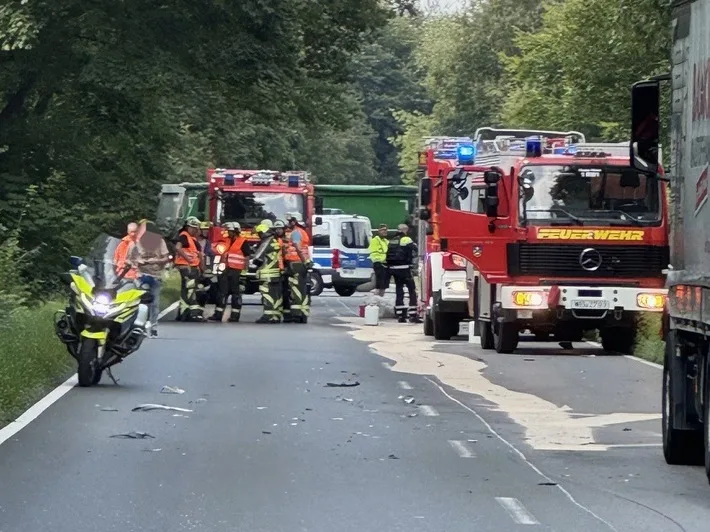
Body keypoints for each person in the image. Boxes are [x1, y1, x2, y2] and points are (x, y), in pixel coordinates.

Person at [127, 219, 171, 337]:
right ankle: (139, 325)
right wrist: (137, 262)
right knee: (141, 302)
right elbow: (130, 259)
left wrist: (154, 260)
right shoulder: (136, 242)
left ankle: (153, 327)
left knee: (155, 303)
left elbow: (166, 258)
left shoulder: (160, 242)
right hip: (141, 275)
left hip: (156, 275)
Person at [209, 222, 252, 323]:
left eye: (231, 231)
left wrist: (244, 272)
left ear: (236, 231)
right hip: (225, 269)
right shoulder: (227, 240)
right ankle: (218, 315)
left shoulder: (243, 241)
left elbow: (247, 257)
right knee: (222, 293)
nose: (229, 232)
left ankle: (235, 316)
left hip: (236, 271)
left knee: (236, 294)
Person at [386, 223, 421, 323]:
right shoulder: (406, 239)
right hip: (404, 268)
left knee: (399, 290)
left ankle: (400, 315)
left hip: (393, 269)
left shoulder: (392, 240)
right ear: (405, 230)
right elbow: (415, 249)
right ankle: (413, 314)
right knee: (412, 290)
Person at [174, 216, 204, 321]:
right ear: (190, 227)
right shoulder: (184, 236)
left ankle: (183, 313)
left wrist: (200, 268)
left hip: (191, 268)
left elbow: (200, 255)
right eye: (196, 229)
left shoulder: (192, 239)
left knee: (186, 291)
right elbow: (178, 247)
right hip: (187, 268)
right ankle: (193, 314)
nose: (197, 231)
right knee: (190, 291)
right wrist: (188, 259)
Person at [283, 212, 312, 323]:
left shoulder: (295, 233)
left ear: (295, 221)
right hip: (301, 263)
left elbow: (298, 248)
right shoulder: (303, 232)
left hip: (296, 263)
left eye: (290, 221)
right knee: (303, 288)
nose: (288, 223)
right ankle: (303, 313)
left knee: (295, 288)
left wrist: (304, 261)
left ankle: (296, 313)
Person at [254, 219, 283, 323]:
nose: (258, 236)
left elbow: (257, 258)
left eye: (259, 233)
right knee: (276, 294)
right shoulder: (275, 241)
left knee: (267, 293)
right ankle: (276, 315)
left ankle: (268, 315)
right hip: (276, 273)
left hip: (267, 273)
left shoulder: (266, 242)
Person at [195, 221, 215, 309]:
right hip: (195, 269)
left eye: (207, 230)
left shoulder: (208, 243)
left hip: (205, 271)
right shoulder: (193, 241)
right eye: (204, 230)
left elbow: (211, 256)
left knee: (205, 290)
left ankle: (200, 309)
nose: (206, 232)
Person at [368, 224, 389, 297]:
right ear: (379, 231)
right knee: (379, 284)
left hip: (385, 264)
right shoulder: (375, 240)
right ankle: (376, 300)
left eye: (386, 230)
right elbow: (374, 253)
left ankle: (380, 299)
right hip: (379, 264)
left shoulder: (386, 241)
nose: (385, 231)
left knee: (384, 285)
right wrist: (379, 261)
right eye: (383, 230)